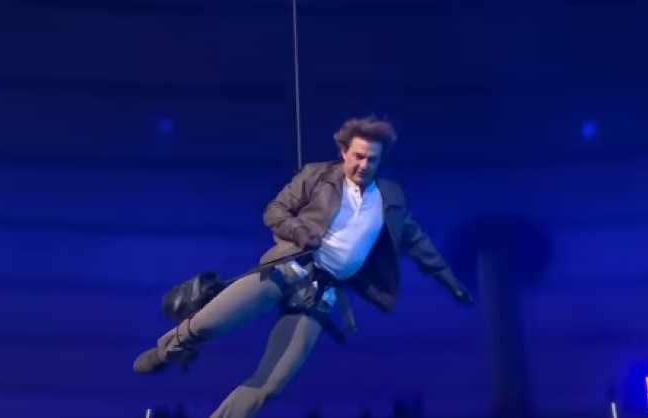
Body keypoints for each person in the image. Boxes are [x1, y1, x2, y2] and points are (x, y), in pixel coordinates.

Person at [132, 116, 473, 418]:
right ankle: (166, 352)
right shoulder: (317, 175)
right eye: (358, 156)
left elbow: (418, 243)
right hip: (284, 270)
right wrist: (301, 232)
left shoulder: (389, 198)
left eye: (372, 159)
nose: (363, 165)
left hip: (318, 297)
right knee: (210, 322)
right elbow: (274, 211)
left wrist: (451, 282)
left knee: (271, 383)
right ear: (344, 152)